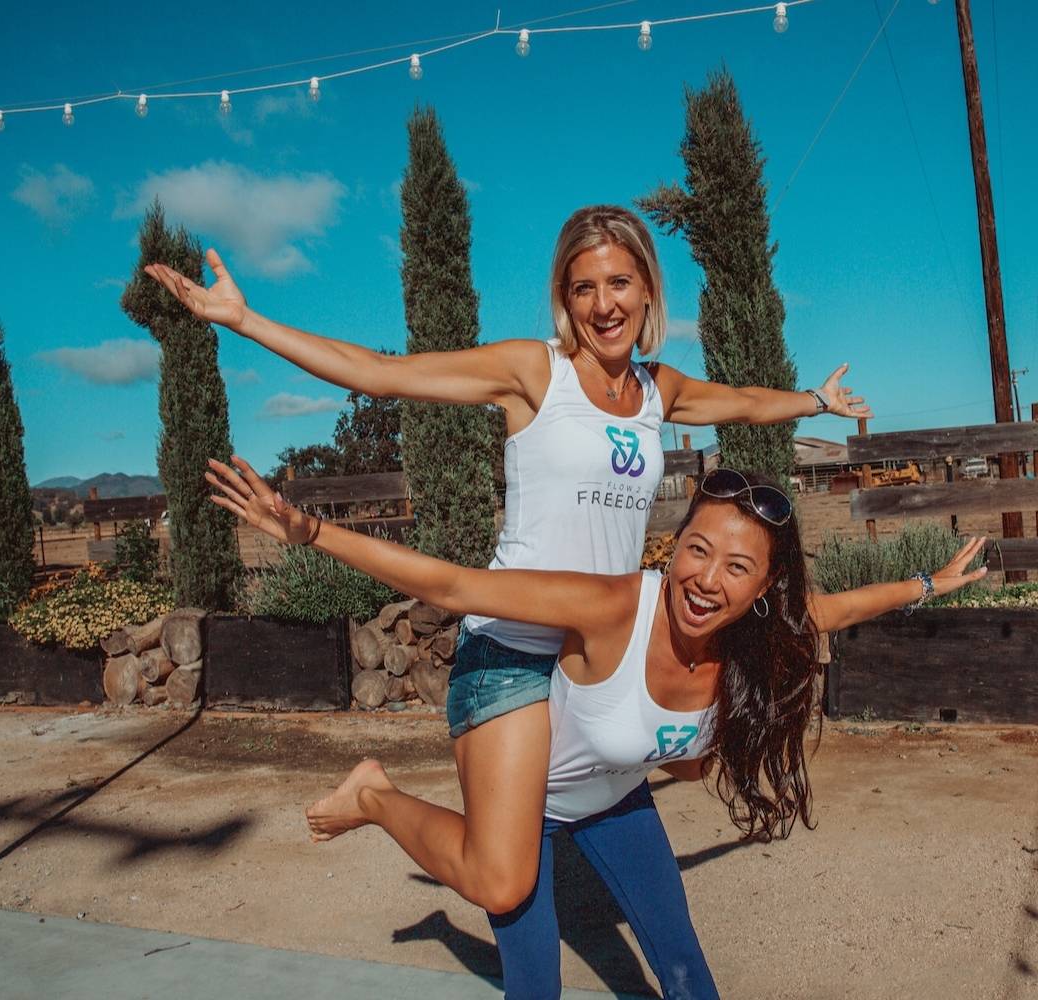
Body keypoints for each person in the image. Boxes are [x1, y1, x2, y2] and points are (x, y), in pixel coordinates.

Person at [145, 205, 872, 916]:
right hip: (515, 649)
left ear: (648, 289)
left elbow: (740, 403)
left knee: (644, 784)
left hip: (595, 653)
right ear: (564, 299)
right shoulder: (534, 373)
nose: (603, 304)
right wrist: (244, 321)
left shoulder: (658, 388)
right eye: (583, 287)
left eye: (619, 283)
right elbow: (379, 373)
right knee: (504, 883)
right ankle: (375, 795)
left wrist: (814, 399)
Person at [208, 455, 987, 997]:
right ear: (674, 545)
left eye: (737, 568)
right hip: (532, 808)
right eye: (697, 549)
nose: (707, 579)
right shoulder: (617, 608)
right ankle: (377, 796)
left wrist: (930, 582)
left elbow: (844, 608)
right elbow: (455, 583)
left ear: (766, 586)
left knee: (684, 968)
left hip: (615, 801)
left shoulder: (766, 632)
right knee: (533, 981)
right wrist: (307, 531)